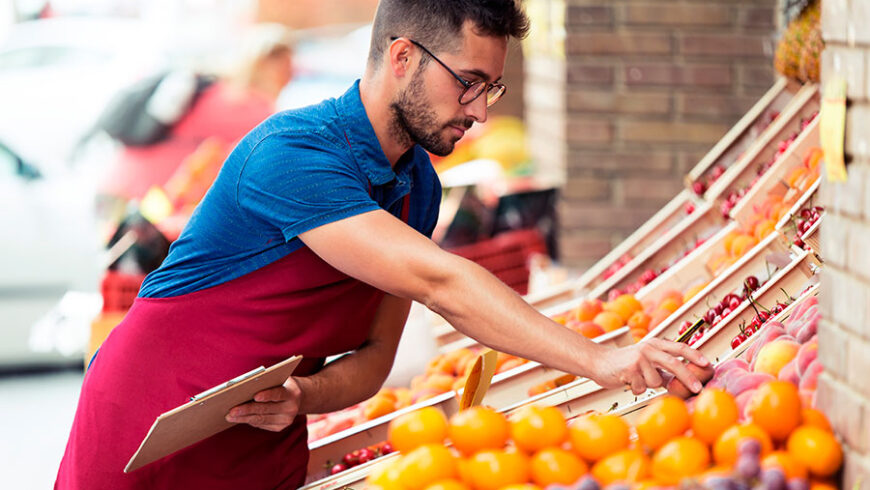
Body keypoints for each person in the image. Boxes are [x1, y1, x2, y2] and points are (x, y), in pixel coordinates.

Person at [56, 2, 708, 488]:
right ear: (402, 59)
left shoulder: (415, 185)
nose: (481, 111)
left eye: (493, 88)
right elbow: (441, 283)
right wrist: (604, 361)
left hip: (260, 443)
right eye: (469, 82)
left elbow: (374, 358)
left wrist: (303, 398)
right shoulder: (291, 155)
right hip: (146, 432)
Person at [98, 23, 295, 203]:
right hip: (141, 201)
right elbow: (270, 161)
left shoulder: (212, 87)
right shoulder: (248, 108)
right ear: (265, 66)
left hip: (121, 189)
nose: (290, 74)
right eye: (286, 67)